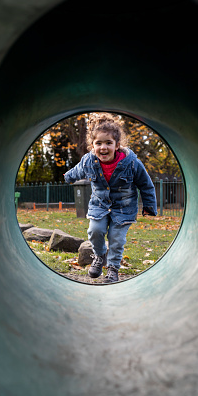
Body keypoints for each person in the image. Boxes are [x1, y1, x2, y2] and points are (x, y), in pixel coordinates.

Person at [64, 113, 157, 283]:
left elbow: (145, 184)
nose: (103, 147)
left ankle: (113, 268)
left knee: (116, 238)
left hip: (124, 208)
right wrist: (68, 176)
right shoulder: (88, 161)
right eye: (98, 143)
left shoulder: (131, 163)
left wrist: (149, 206)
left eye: (108, 143)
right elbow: (77, 171)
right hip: (99, 205)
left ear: (117, 145)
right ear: (92, 146)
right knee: (95, 230)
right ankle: (100, 257)